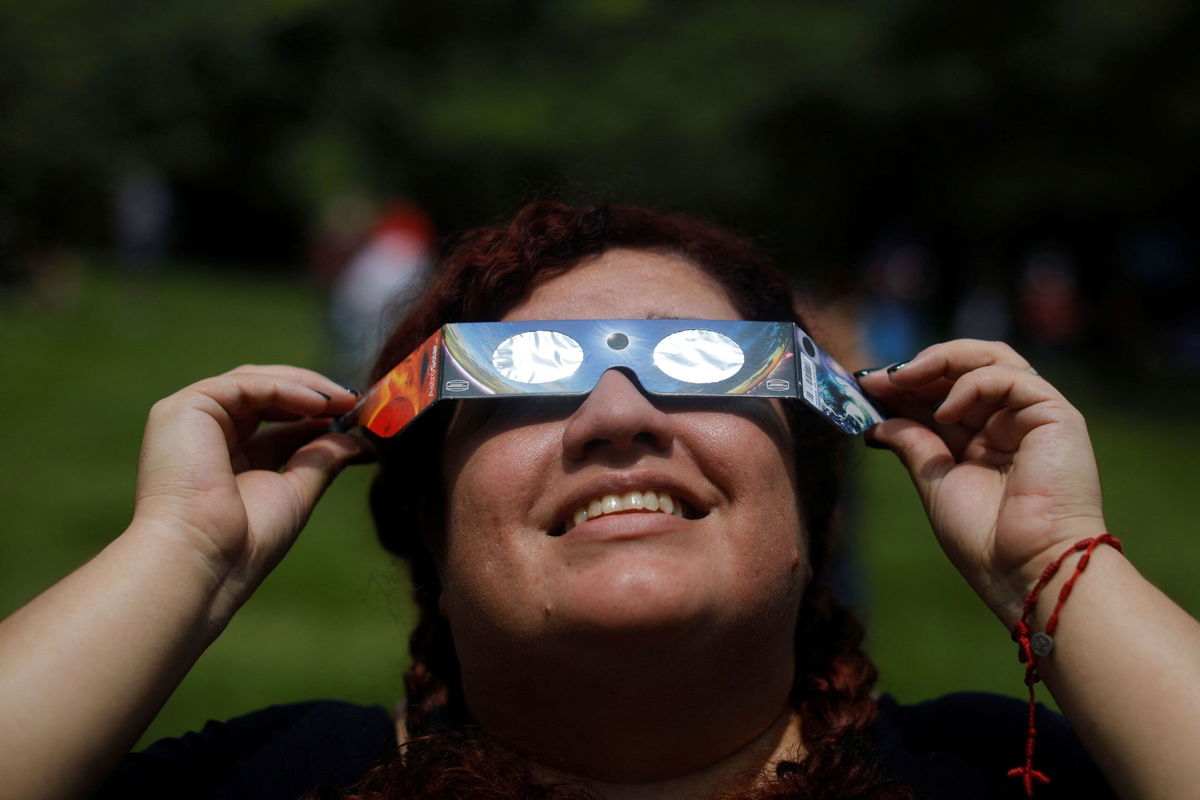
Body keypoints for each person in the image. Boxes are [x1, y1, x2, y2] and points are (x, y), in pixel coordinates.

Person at [2, 202, 1199, 800]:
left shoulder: (1000, 772)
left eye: (698, 365)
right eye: (525, 379)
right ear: (429, 512)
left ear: (813, 492)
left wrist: (1057, 568)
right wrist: (181, 553)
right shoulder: (287, 780)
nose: (616, 416)